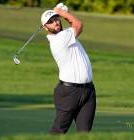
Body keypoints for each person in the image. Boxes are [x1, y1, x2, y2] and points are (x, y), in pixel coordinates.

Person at [41, 5, 96, 134]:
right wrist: (62, 13)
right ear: (45, 28)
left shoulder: (66, 35)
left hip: (88, 90)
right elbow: (78, 25)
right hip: (69, 92)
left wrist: (65, 13)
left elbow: (73, 26)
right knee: (59, 130)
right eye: (50, 22)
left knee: (85, 133)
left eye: (56, 19)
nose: (55, 22)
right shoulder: (59, 39)